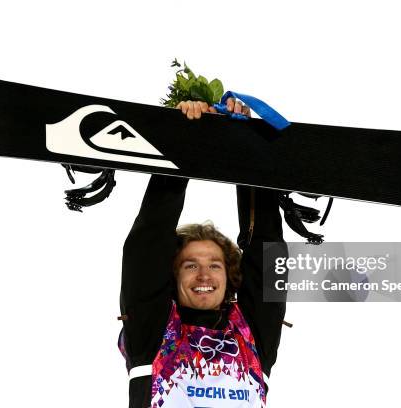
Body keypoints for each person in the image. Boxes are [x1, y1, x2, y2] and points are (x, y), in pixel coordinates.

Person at [118, 98, 287, 407]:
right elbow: (148, 244)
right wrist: (185, 140)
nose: (205, 274)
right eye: (190, 266)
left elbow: (267, 252)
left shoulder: (253, 338)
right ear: (171, 275)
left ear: (231, 276)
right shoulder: (150, 333)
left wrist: (248, 145)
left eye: (215, 265)